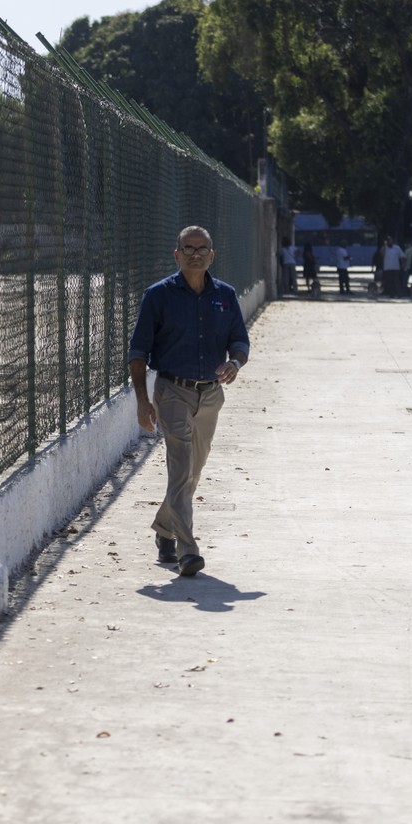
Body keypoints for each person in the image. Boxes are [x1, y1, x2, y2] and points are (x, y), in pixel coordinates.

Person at [127, 226, 250, 578]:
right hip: (172, 392)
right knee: (180, 469)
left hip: (211, 395)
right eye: (188, 248)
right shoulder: (158, 296)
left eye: (202, 248)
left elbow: (240, 340)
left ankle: (165, 529)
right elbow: (138, 352)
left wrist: (235, 362)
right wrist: (142, 401)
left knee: (194, 471)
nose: (195, 254)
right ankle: (187, 550)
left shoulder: (225, 295)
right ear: (176, 254)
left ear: (212, 254)